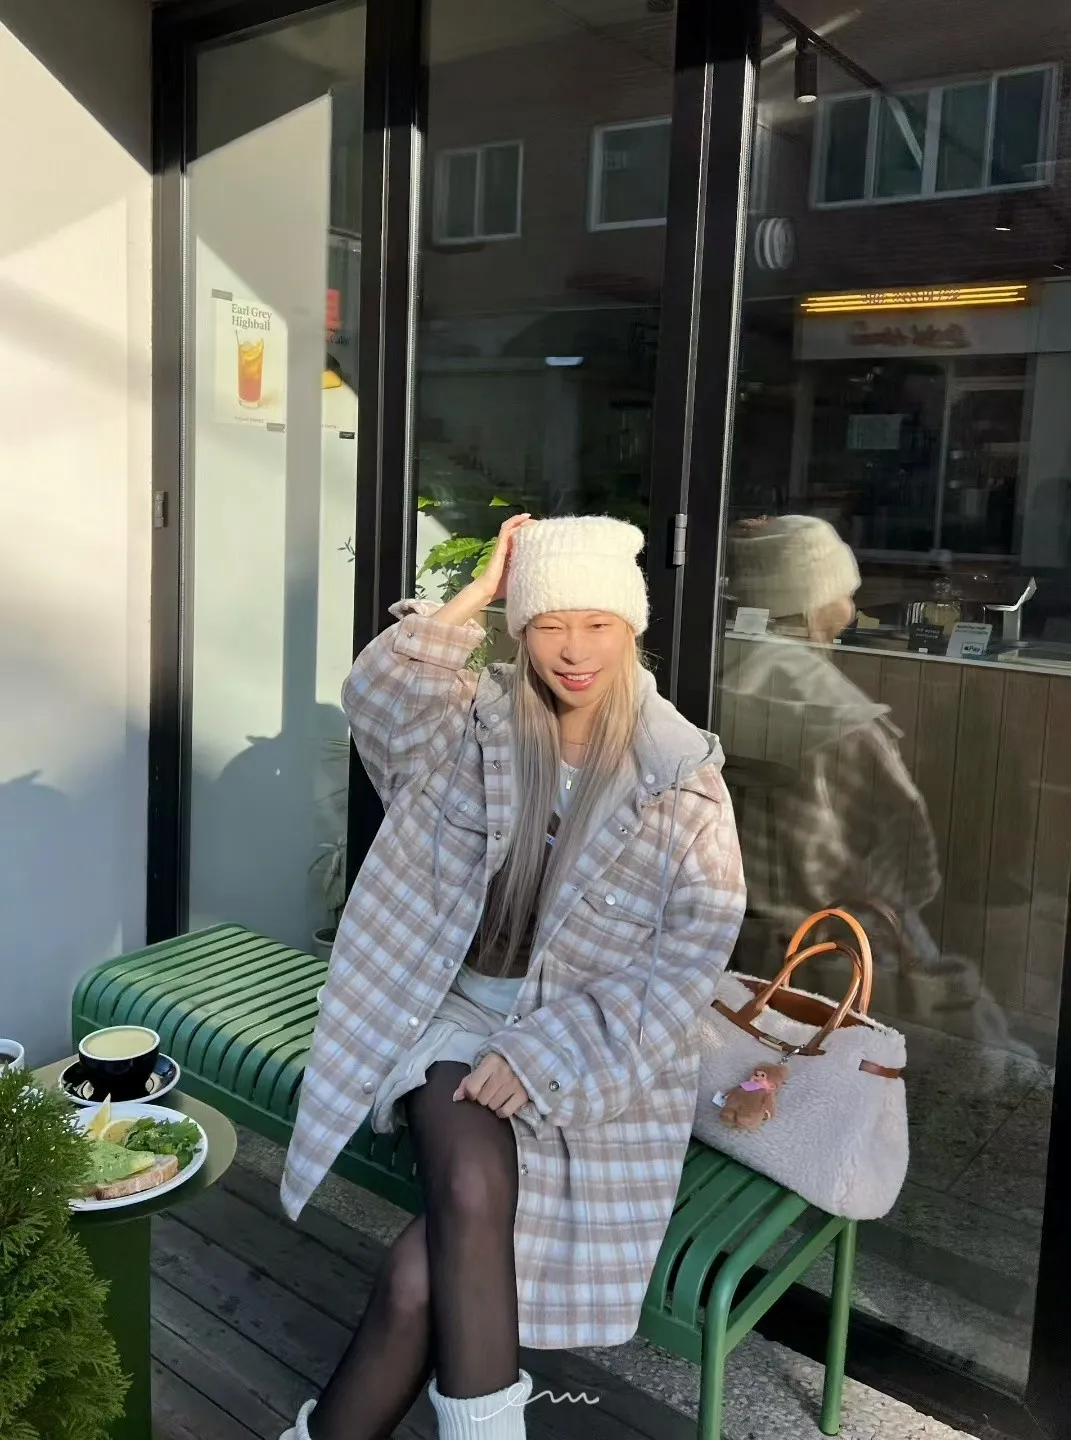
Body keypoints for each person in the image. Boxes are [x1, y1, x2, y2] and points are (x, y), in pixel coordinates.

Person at [277, 513, 746, 1440]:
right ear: (520, 630)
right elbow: (378, 698)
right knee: (469, 1188)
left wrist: (540, 1054)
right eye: (548, 624)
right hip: (447, 1016)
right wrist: (477, 596)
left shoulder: (678, 775)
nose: (575, 650)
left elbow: (689, 954)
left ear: (631, 626)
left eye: (598, 623)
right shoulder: (469, 725)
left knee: (422, 1275)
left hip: (584, 1052)